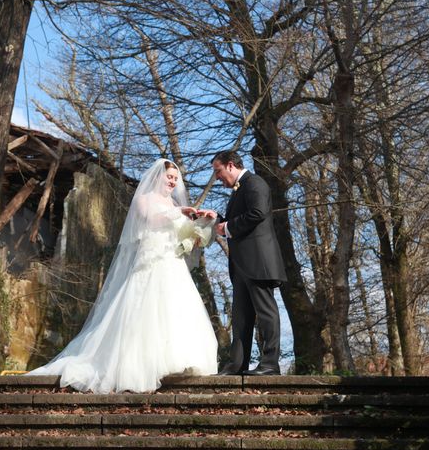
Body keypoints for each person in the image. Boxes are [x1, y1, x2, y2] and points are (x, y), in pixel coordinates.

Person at [26, 159, 218, 392]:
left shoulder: (176, 203)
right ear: (158, 176)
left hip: (171, 262)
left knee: (175, 308)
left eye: (175, 179)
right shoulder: (144, 199)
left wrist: (201, 221)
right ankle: (138, 365)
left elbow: (183, 233)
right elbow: (150, 219)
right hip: (149, 262)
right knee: (142, 311)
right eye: (169, 177)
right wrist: (178, 212)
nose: (172, 182)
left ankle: (177, 361)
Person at [199, 151, 286, 375]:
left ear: (230, 165)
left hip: (258, 261)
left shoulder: (254, 182)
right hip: (241, 265)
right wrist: (217, 218)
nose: (217, 177)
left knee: (266, 313)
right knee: (240, 317)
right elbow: (241, 217)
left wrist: (226, 228)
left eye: (218, 171)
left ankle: (270, 364)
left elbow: (258, 213)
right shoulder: (239, 189)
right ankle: (237, 365)